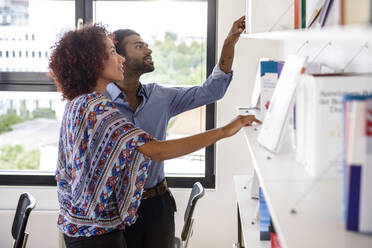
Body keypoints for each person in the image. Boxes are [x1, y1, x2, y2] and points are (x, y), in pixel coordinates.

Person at [49, 24, 259, 248]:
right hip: (97, 228)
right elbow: (157, 150)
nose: (120, 59)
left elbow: (65, 171)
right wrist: (225, 130)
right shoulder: (98, 108)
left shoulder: (78, 103)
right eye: (113, 53)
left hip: (102, 221)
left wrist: (229, 43)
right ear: (94, 61)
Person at [106, 16, 246, 248]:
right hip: (114, 208)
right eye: (139, 46)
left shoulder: (161, 97)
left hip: (156, 205)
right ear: (119, 56)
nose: (149, 49)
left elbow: (212, 91)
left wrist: (230, 42)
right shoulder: (99, 104)